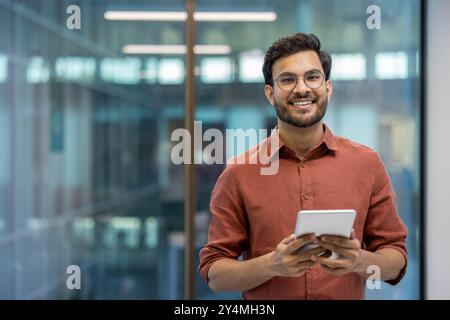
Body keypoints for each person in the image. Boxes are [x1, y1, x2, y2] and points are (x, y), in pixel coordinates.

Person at [198, 33, 407, 300]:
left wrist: (358, 260)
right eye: (287, 80)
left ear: (327, 87)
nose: (302, 88)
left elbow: (395, 260)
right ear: (270, 93)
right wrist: (272, 264)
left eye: (312, 77)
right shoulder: (239, 173)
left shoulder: (366, 164)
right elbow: (215, 274)